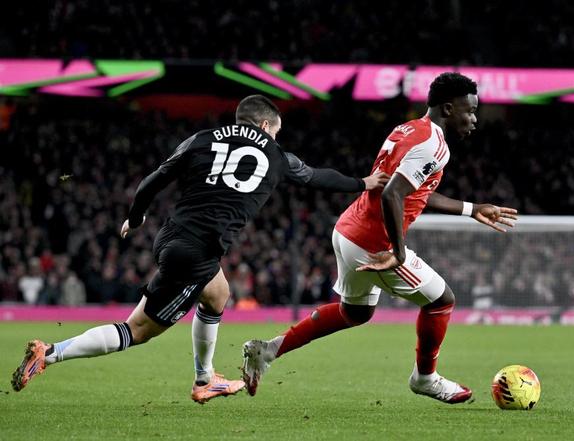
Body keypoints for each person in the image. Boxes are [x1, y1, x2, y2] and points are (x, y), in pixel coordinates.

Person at [11, 95, 389, 404]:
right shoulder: (276, 156)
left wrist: (136, 217)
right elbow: (316, 177)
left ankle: (205, 378)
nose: (275, 138)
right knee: (136, 330)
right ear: (264, 125)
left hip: (172, 236)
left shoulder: (202, 139)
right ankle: (51, 352)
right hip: (195, 252)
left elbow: (153, 179)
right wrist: (363, 182)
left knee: (218, 293)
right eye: (275, 132)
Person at [242, 73, 518, 404]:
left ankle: (268, 350)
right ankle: (425, 378)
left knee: (355, 313)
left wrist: (471, 209)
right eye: (470, 111)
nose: (474, 119)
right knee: (441, 301)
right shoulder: (434, 146)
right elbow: (392, 194)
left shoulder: (408, 129)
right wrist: (398, 252)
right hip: (373, 243)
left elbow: (412, 190)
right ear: (448, 108)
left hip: (348, 230)